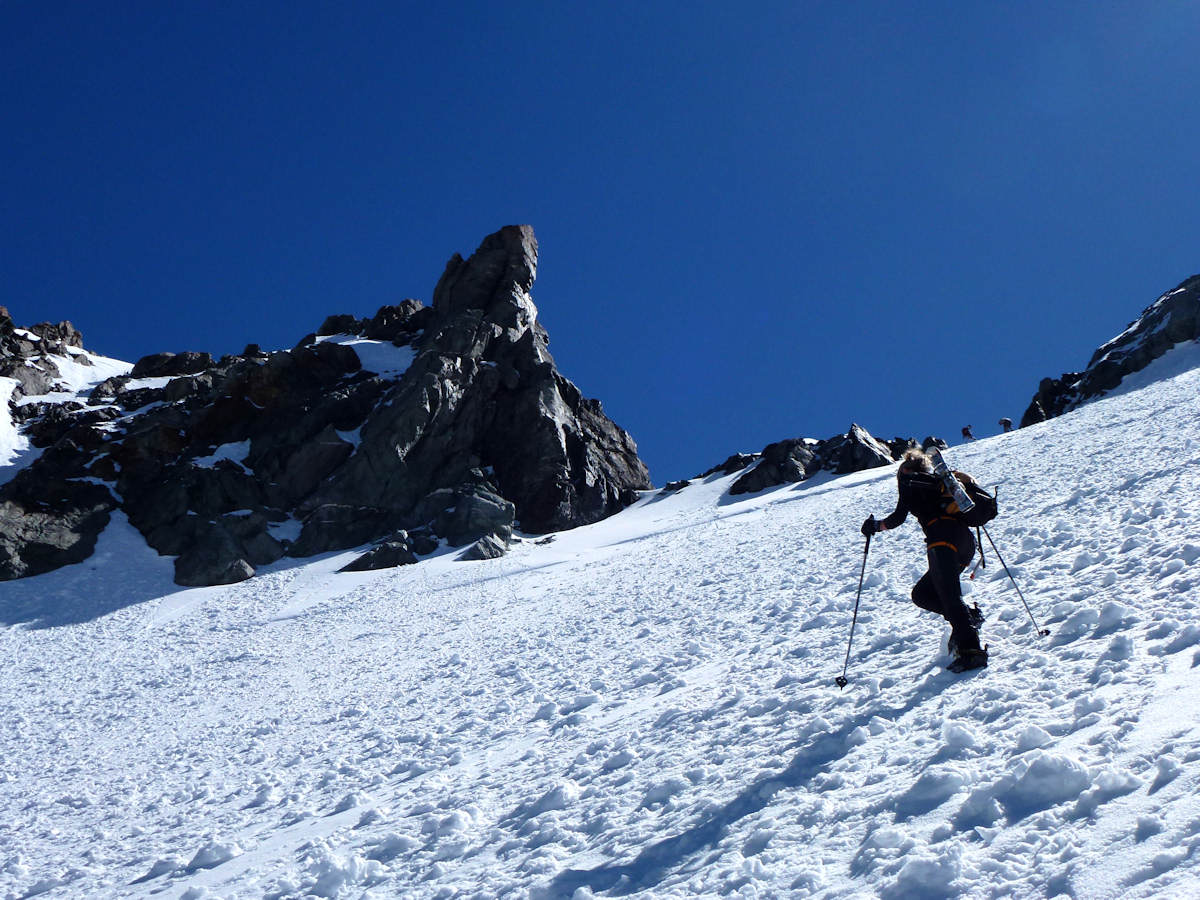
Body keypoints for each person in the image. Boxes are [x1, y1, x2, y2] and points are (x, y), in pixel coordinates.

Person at [860, 448, 987, 670]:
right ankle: (968, 619)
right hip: (965, 543)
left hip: (941, 539)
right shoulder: (940, 481)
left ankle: (971, 651)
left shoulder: (909, 481)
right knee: (923, 594)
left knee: (949, 594)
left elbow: (898, 517)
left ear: (906, 470)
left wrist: (875, 526)